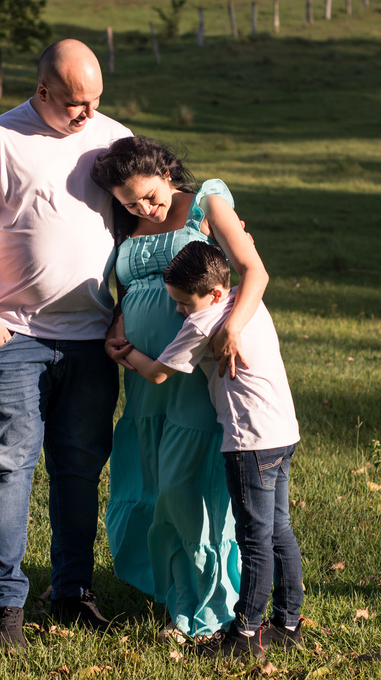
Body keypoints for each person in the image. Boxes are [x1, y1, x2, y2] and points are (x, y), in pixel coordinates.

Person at [0, 39, 131, 650]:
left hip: (94, 340)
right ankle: (5, 608)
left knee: (79, 470)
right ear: (42, 91)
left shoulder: (112, 136)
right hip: (14, 336)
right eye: (74, 102)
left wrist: (131, 315)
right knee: (9, 468)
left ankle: (73, 594)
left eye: (95, 99)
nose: (86, 113)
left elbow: (155, 214)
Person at [91, 136, 269, 637]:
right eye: (130, 202)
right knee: (149, 485)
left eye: (150, 195)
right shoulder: (126, 219)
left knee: (185, 486)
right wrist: (117, 324)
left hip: (196, 369)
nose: (145, 207)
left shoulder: (208, 201)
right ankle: (173, 593)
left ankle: (210, 608)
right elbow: (127, 287)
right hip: (145, 379)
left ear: (167, 173)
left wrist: (232, 328)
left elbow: (253, 270)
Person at [111, 241, 303, 660]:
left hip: (248, 441)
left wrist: (127, 355)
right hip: (283, 433)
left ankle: (245, 636)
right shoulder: (240, 303)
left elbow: (159, 374)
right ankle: (288, 624)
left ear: (214, 294)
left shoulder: (204, 322)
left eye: (183, 303)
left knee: (254, 538)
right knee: (278, 530)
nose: (179, 310)